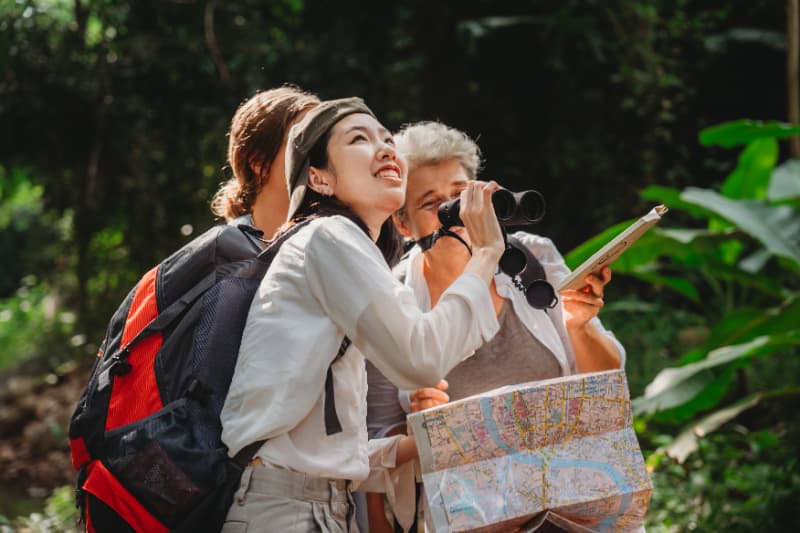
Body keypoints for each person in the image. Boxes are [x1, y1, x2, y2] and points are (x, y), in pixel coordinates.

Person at [219, 98, 507, 532]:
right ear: (318, 177)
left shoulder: (351, 252)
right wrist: (485, 254)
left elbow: (333, 438)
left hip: (316, 505)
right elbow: (421, 360)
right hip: (286, 509)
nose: (386, 149)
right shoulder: (326, 237)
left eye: (387, 139)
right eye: (359, 139)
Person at [363, 121, 626, 532]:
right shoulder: (391, 301)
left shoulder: (532, 258)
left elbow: (608, 387)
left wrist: (580, 325)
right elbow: (377, 444)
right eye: (433, 204)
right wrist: (426, 423)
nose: (457, 213)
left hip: (575, 510)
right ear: (402, 224)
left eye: (461, 196)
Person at [211, 85, 320, 240]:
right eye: (304, 142)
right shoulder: (220, 257)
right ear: (259, 162)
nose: (324, 155)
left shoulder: (342, 240)